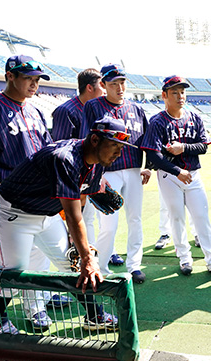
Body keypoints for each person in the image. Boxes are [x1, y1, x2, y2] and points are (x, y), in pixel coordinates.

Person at [0, 54, 70, 331]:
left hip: (43, 201)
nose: (34, 84)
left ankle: (38, 310)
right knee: (14, 270)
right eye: (28, 78)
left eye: (37, 79)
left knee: (47, 262)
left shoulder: (35, 111)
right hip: (12, 203)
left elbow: (49, 152)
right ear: (10, 76)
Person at [0, 117, 126, 333]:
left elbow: (80, 198)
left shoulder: (96, 162)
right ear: (95, 140)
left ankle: (94, 316)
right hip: (12, 213)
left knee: (71, 264)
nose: (118, 152)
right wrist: (87, 256)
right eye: (114, 145)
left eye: (121, 146)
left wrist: (76, 243)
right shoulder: (64, 158)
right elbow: (72, 214)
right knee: (13, 272)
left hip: (47, 215)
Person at [141, 75, 211, 279]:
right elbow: (153, 154)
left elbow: (203, 146)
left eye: (182, 92)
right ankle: (184, 258)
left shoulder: (194, 117)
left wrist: (183, 148)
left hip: (193, 175)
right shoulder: (157, 121)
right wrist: (176, 171)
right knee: (177, 218)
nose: (180, 96)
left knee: (201, 217)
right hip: (169, 176)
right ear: (164, 95)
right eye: (175, 92)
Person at [81, 64, 149, 284]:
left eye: (122, 82)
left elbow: (146, 141)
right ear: (103, 85)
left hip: (133, 169)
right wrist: (93, 172)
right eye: (113, 84)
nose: (119, 88)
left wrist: (147, 166)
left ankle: (135, 265)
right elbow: (87, 139)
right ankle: (101, 266)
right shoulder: (92, 106)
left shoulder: (136, 109)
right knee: (109, 222)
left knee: (135, 218)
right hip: (106, 171)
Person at [51, 68, 106, 255]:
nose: (105, 90)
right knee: (72, 225)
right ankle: (77, 260)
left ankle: (91, 257)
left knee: (88, 219)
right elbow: (60, 150)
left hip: (88, 176)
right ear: (89, 88)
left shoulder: (97, 110)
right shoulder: (66, 111)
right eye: (102, 85)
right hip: (71, 181)